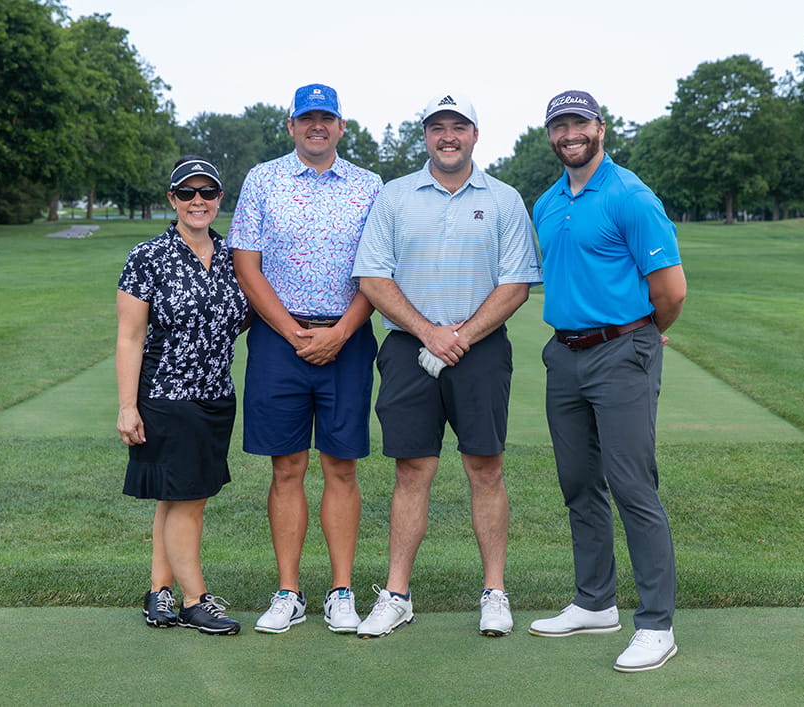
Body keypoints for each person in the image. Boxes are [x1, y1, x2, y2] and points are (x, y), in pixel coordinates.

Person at [351, 92, 542, 639]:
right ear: (427, 137)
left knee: (486, 468)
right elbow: (373, 277)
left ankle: (495, 592)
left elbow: (516, 284)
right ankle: (397, 594)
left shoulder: (504, 199)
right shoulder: (394, 196)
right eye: (438, 128)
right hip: (410, 349)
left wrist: (459, 335)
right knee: (412, 470)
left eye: (459, 127)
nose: (448, 136)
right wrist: (429, 332)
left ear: (475, 135)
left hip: (480, 352)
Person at [527, 90, 687, 673]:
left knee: (632, 486)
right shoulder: (546, 202)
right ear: (551, 135)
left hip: (622, 352)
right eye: (559, 125)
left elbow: (671, 291)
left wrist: (643, 333)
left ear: (600, 128)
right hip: (564, 356)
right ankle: (595, 603)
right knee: (577, 483)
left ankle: (655, 624)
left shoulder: (630, 196)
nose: (570, 134)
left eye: (579, 123)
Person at [228, 84, 383, 634]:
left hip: (347, 338)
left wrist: (340, 331)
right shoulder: (264, 179)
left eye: (327, 118)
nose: (317, 126)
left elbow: (378, 270)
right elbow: (247, 264)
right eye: (306, 118)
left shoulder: (369, 186)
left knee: (341, 467)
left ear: (342, 126)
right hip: (278, 340)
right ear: (291, 126)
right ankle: (289, 591)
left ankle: (341, 591)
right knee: (286, 466)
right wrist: (294, 332)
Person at [116, 156, 248, 635]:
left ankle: (158, 592)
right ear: (171, 200)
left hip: (216, 395)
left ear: (219, 199)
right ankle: (194, 600)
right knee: (188, 497)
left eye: (207, 193)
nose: (198, 201)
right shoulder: (148, 257)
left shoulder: (235, 256)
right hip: (167, 394)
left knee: (178, 497)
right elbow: (129, 337)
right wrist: (128, 406)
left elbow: (244, 316)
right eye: (187, 193)